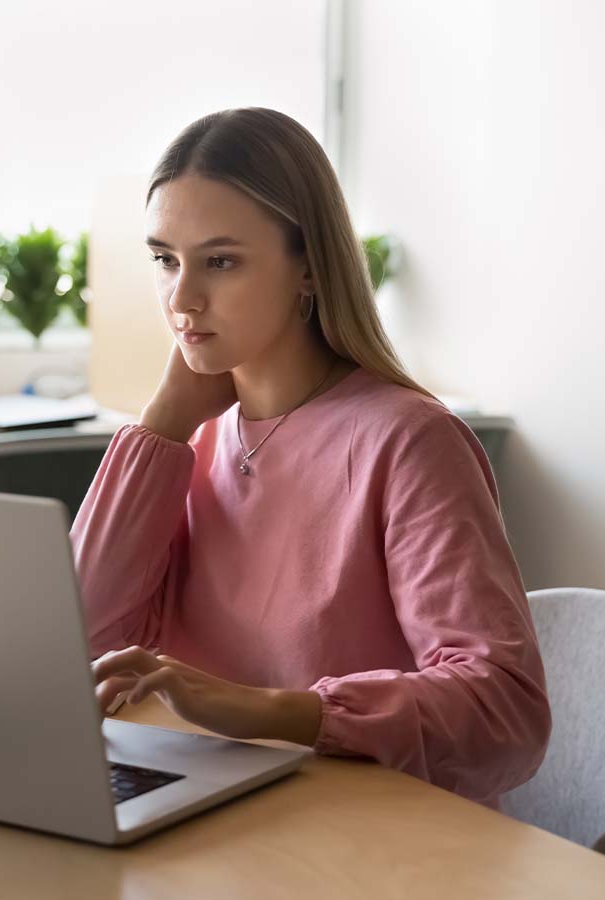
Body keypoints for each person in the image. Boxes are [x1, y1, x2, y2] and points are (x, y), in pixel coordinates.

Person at [70, 107, 550, 808]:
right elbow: (78, 645)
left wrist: (269, 710)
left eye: (220, 261)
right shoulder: (190, 443)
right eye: (165, 260)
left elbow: (504, 712)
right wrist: (162, 426)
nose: (182, 298)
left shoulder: (409, 441)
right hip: (221, 815)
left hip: (370, 837)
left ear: (308, 270)